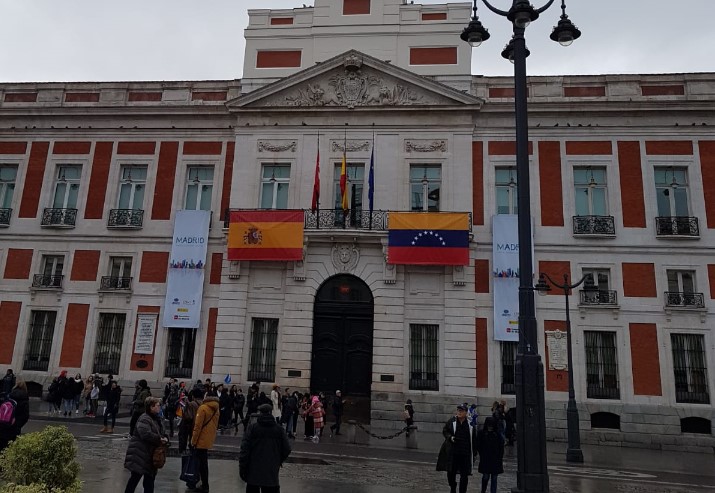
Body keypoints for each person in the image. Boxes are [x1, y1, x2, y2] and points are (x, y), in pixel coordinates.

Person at [239, 403, 291, 493]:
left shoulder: (253, 428)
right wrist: (278, 460)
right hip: (271, 470)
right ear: (271, 413)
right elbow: (287, 448)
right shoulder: (279, 429)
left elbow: (244, 449)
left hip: (253, 469)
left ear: (260, 413)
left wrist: (243, 467)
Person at [123, 397, 169, 493]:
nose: (159, 407)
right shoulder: (144, 418)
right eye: (157, 405)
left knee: (149, 481)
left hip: (150, 454)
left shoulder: (157, 418)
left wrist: (165, 437)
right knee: (135, 478)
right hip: (140, 453)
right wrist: (159, 439)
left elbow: (162, 432)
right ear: (151, 407)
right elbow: (145, 434)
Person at [436, 404, 478, 493]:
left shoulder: (470, 424)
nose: (459, 412)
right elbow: (445, 431)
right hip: (453, 452)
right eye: (458, 410)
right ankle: (453, 486)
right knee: (450, 473)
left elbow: (474, 439)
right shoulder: (452, 421)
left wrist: (474, 453)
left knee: (464, 475)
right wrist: (450, 437)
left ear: (466, 413)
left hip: (465, 453)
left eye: (461, 411)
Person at [191, 390, 219, 492]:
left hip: (200, 439)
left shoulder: (203, 408)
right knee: (204, 463)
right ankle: (204, 484)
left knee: (200, 464)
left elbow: (197, 426)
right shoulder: (216, 408)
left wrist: (193, 441)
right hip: (209, 438)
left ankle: (203, 485)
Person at [476, 416, 505, 493]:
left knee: (494, 478)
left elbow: (501, 447)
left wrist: (500, 457)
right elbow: (478, 445)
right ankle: (483, 490)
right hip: (485, 458)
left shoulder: (497, 434)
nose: (490, 427)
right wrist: (481, 453)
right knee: (485, 476)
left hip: (495, 459)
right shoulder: (482, 433)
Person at [0, 379, 30, 452]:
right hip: (15, 427)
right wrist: (18, 425)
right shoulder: (25, 398)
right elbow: (25, 416)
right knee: (11, 448)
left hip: (4, 425)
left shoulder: (9, 395)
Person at [179, 388, 202, 454]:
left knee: (185, 439)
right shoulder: (203, 404)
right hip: (198, 426)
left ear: (193, 396)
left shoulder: (192, 404)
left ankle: (183, 452)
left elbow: (187, 416)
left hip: (190, 425)